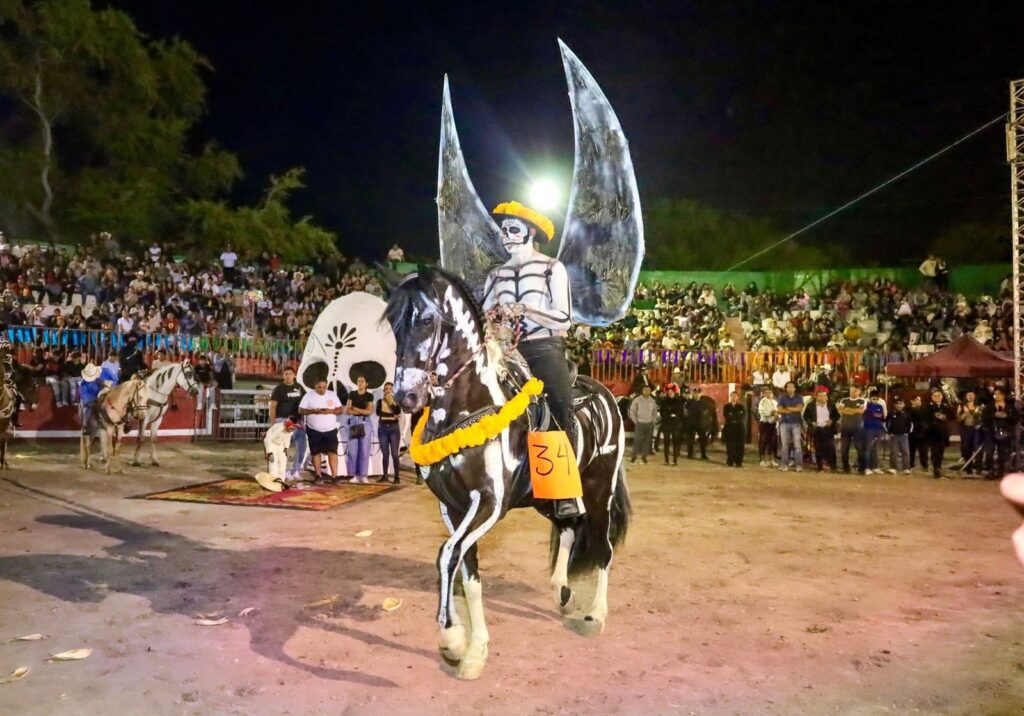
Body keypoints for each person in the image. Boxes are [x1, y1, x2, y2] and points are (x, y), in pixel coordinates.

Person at [481, 201, 581, 518]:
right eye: (504, 230)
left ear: (531, 232)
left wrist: (526, 310)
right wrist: (494, 321)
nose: (507, 236)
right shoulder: (495, 275)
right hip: (505, 353)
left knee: (559, 406)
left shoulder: (552, 267)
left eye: (514, 229)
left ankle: (564, 490)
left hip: (544, 348)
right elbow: (483, 315)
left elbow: (564, 318)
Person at [298, 378, 343, 484]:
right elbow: (300, 410)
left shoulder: (332, 395)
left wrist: (330, 411)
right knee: (316, 452)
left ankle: (334, 476)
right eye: (319, 387)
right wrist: (313, 411)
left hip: (330, 429)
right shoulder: (308, 395)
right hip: (314, 429)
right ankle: (318, 475)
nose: (322, 389)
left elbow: (340, 409)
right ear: (315, 386)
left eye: (324, 387)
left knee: (333, 452)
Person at [268, 366, 306, 482]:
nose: (288, 376)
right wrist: (273, 424)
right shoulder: (279, 389)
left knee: (301, 447)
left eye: (290, 373)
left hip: (297, 422)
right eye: (286, 373)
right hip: (282, 421)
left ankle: (295, 471)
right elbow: (273, 406)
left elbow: (306, 402)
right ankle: (283, 471)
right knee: (283, 448)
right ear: (283, 376)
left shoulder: (299, 388)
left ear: (294, 375)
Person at [982, 388, 1018, 480]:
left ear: (1003, 396)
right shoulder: (989, 406)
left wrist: (1007, 416)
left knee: (1002, 453)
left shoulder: (1010, 407)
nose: (997, 396)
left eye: (999, 394)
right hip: (991, 432)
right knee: (989, 452)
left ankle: (1000, 472)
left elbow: (1015, 419)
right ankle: (990, 471)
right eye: (995, 394)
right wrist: (994, 415)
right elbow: (984, 418)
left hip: (1004, 432)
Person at [345, 375, 374, 482]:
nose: (360, 383)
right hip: (354, 422)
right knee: (353, 450)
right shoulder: (352, 394)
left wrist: (355, 408)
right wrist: (362, 410)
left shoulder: (369, 396)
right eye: (358, 381)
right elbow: (348, 410)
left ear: (366, 384)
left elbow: (369, 411)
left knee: (364, 450)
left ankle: (363, 475)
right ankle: (353, 475)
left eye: (362, 381)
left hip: (365, 422)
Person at [802, 386, 839, 472]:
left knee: (831, 447)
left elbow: (837, 415)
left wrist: (832, 421)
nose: (823, 397)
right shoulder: (811, 406)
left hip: (828, 429)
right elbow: (806, 416)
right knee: (818, 448)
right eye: (821, 396)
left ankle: (833, 466)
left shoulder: (831, 405)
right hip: (817, 429)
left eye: (824, 395)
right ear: (816, 397)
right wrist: (811, 422)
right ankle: (820, 467)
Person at [923, 388, 955, 479]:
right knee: (935, 452)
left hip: (943, 433)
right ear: (932, 397)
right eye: (935, 396)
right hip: (933, 433)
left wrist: (944, 416)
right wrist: (935, 417)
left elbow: (952, 415)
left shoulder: (945, 406)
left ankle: (939, 468)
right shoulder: (929, 406)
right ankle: (936, 469)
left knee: (941, 451)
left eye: (939, 395)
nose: (937, 397)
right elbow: (925, 417)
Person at [261, 419, 300, 490]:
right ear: (286, 425)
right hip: (272, 444)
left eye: (294, 428)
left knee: (283, 462)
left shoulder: (291, 430)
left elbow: (287, 438)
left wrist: (286, 448)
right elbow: (267, 439)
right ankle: (272, 481)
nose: (292, 430)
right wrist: (269, 452)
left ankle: (281, 482)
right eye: (291, 428)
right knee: (273, 462)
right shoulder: (278, 427)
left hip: (281, 445)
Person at [837, 385, 867, 474]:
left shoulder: (862, 400)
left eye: (855, 391)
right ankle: (846, 468)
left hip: (857, 428)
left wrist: (847, 410)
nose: (852, 392)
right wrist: (854, 411)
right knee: (844, 449)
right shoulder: (844, 400)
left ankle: (861, 469)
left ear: (859, 392)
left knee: (860, 449)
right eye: (851, 390)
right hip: (845, 427)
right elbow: (840, 410)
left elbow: (861, 411)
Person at [376, 381, 401, 483]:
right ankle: (385, 476)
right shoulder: (380, 402)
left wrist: (390, 402)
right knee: (385, 454)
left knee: (395, 454)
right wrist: (393, 416)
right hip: (383, 429)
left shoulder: (397, 400)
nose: (388, 390)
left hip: (394, 429)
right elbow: (379, 413)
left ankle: (397, 477)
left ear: (393, 390)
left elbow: (397, 411)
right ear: (384, 390)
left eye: (390, 388)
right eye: (386, 389)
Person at [776, 381, 804, 472]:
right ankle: (784, 464)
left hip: (796, 423)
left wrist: (787, 408)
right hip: (784, 423)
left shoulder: (799, 397)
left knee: (797, 445)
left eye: (792, 387)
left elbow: (799, 409)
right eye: (788, 387)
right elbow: (779, 410)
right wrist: (793, 409)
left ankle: (798, 465)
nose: (790, 388)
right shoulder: (782, 397)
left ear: (795, 388)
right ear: (786, 388)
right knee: (784, 445)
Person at [658, 383, 686, 466]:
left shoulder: (679, 401)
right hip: (667, 423)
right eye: (669, 392)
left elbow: (681, 413)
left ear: (674, 392)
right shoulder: (664, 401)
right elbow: (662, 412)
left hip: (675, 424)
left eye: (671, 391)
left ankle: (674, 460)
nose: (670, 393)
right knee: (666, 442)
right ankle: (666, 460)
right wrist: (669, 415)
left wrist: (675, 416)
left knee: (675, 442)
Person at [628, 384, 657, 464]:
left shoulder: (652, 401)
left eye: (648, 390)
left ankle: (644, 457)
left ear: (650, 391)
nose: (647, 392)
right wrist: (635, 421)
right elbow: (632, 411)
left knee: (647, 441)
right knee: (637, 441)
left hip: (649, 423)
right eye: (645, 390)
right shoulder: (637, 400)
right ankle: (634, 456)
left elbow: (654, 412)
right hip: (639, 423)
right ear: (642, 391)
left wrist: (653, 421)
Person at [885, 396, 913, 475]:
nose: (899, 405)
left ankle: (906, 468)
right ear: (895, 405)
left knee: (905, 452)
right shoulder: (891, 414)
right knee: (893, 452)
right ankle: (893, 467)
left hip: (904, 436)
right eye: (897, 404)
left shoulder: (906, 414)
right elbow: (886, 423)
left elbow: (910, 424)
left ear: (904, 405)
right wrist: (889, 432)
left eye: (901, 403)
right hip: (894, 435)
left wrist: (907, 432)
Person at [957, 390, 982, 475]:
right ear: (966, 396)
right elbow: (958, 419)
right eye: (968, 395)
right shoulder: (961, 405)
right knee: (967, 447)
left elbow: (981, 417)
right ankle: (968, 468)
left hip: (976, 429)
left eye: (972, 395)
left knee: (977, 448)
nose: (970, 397)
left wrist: (976, 413)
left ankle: (978, 468)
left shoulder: (979, 405)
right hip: (966, 429)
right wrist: (965, 413)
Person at [862, 388, 887, 475]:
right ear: (870, 398)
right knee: (868, 448)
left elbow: (882, 416)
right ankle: (867, 467)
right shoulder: (867, 406)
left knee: (876, 449)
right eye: (873, 399)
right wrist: (876, 415)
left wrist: (876, 415)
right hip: (869, 429)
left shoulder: (880, 406)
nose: (875, 400)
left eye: (876, 399)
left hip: (878, 429)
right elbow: (871, 414)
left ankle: (875, 467)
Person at [756, 386, 779, 467]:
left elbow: (778, 411)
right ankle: (762, 459)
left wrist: (777, 416)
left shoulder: (775, 402)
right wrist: (772, 413)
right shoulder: (762, 402)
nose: (768, 394)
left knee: (773, 442)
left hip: (773, 424)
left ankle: (771, 459)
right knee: (763, 441)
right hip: (764, 423)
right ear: (764, 394)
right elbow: (762, 412)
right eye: (766, 393)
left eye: (770, 393)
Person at [722, 391, 746, 467]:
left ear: (737, 397)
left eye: (735, 396)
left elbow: (742, 416)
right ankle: (730, 461)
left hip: (739, 427)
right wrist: (733, 417)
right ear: (730, 397)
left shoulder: (741, 406)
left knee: (740, 445)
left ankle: (739, 462)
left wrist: (733, 416)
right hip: (730, 427)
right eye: (732, 396)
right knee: (730, 445)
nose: (733, 397)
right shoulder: (727, 406)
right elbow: (726, 416)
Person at [908, 395, 929, 472]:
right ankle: (910, 464)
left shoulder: (924, 409)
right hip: (912, 433)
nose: (919, 401)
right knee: (911, 450)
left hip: (922, 433)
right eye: (917, 399)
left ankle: (924, 465)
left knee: (923, 451)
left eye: (920, 400)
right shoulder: (908, 410)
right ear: (912, 401)